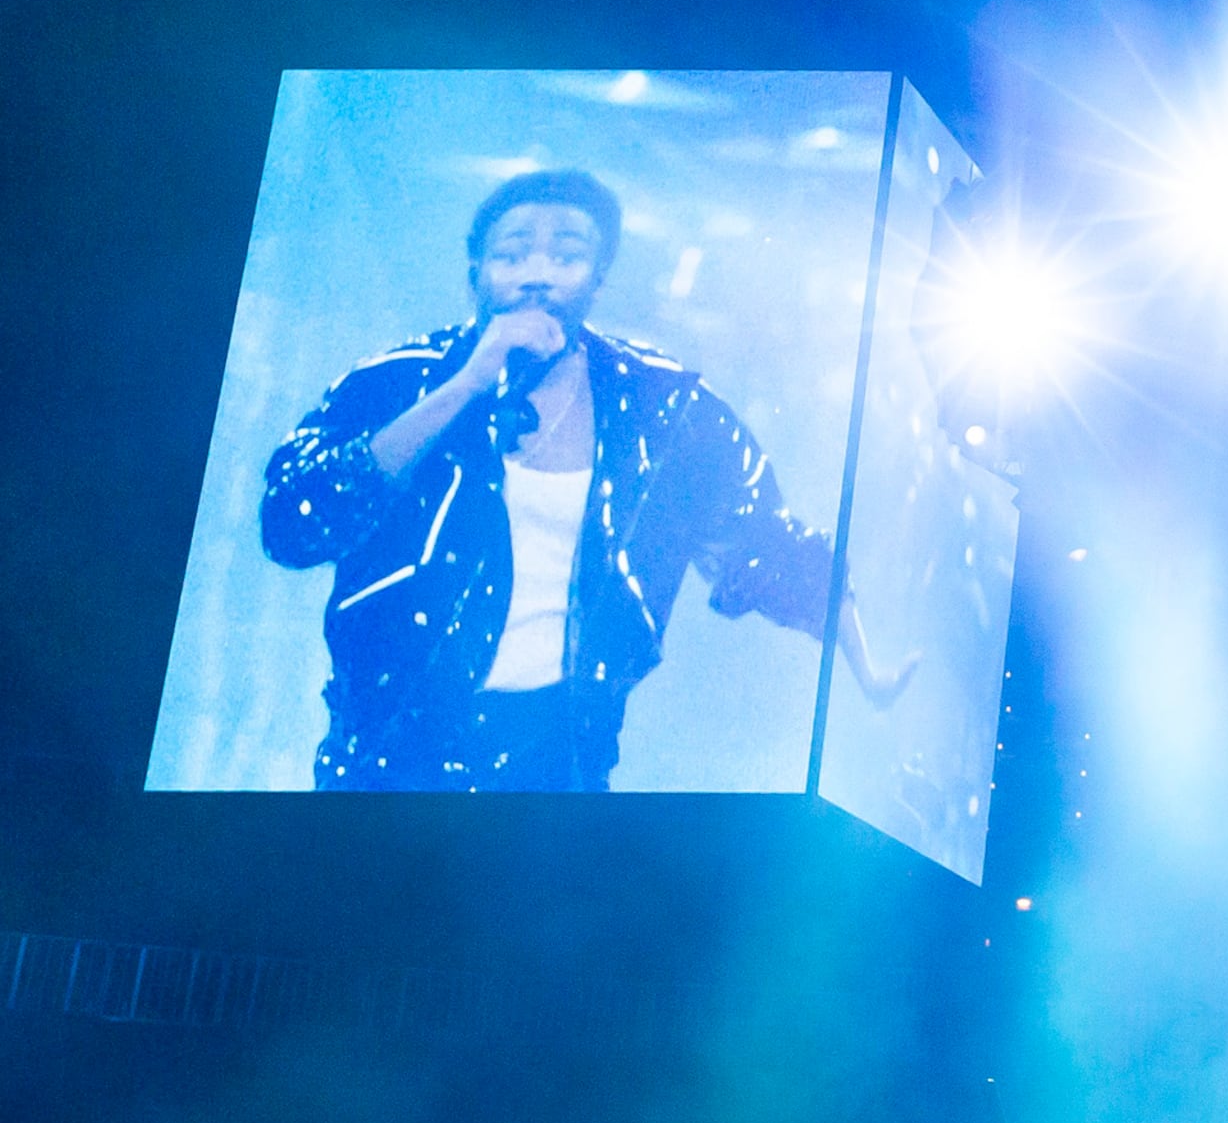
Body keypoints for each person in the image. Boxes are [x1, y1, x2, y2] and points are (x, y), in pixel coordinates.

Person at [260, 168, 905, 789]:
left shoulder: (661, 407)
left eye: (566, 256)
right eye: (512, 256)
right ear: (475, 275)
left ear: (598, 278)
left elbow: (769, 542)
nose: (537, 275)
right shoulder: (396, 381)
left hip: (560, 762)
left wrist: (867, 666)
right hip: (384, 754)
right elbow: (294, 522)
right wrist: (465, 385)